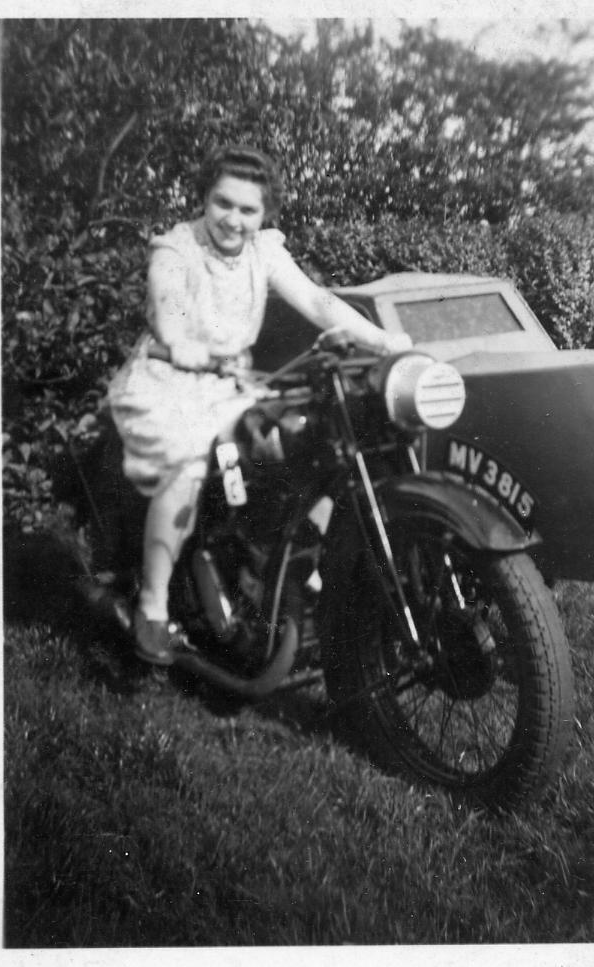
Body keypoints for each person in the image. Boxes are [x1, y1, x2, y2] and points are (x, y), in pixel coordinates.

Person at [109, 144, 411, 666]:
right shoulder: (177, 248)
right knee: (186, 464)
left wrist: (382, 341)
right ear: (204, 198)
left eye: (248, 209)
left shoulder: (264, 251)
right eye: (223, 203)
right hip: (167, 382)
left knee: (307, 443)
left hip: (229, 383)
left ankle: (276, 569)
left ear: (264, 212)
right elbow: (167, 302)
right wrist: (180, 340)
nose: (234, 219)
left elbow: (318, 301)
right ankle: (152, 610)